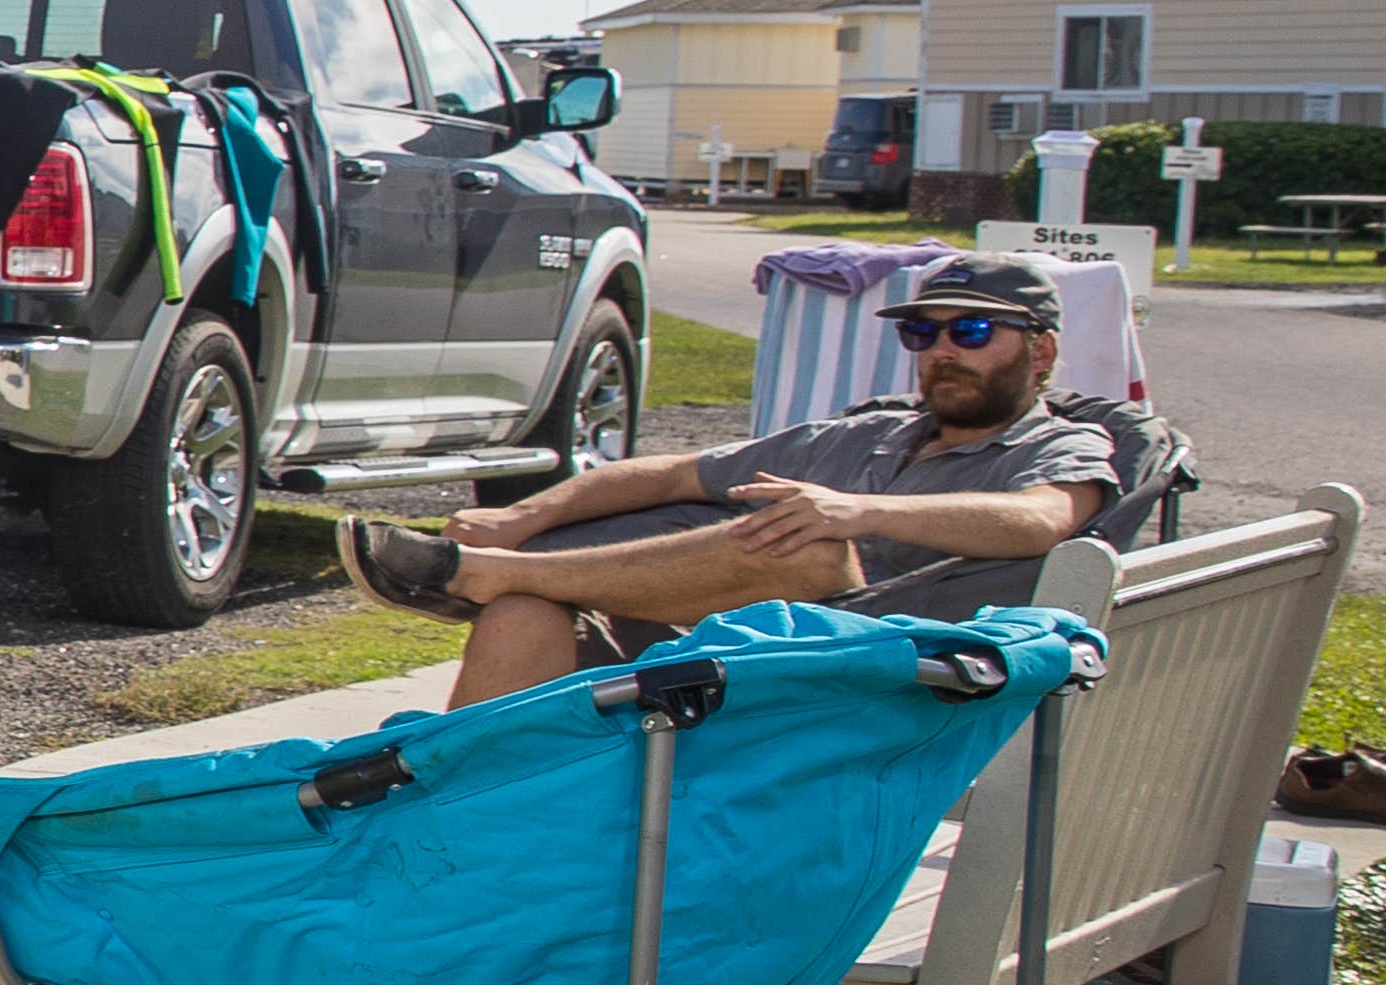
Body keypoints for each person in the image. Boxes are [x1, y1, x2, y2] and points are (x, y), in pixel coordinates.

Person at [340, 250, 1114, 707]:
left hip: (885, 680)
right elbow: (674, 471)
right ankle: (440, 819)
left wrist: (858, 513)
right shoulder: (863, 435)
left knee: (801, 541)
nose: (942, 349)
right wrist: (521, 516)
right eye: (923, 331)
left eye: (971, 331)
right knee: (523, 609)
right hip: (740, 654)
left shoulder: (1059, 445)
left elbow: (1044, 519)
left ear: (1039, 352)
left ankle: (481, 576)